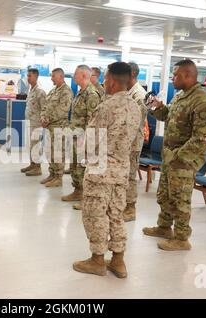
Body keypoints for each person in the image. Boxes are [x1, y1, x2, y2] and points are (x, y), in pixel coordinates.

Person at [73, 62, 140, 279]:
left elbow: (89, 142)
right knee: (116, 215)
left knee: (95, 215)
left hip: (100, 172)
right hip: (121, 172)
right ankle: (119, 261)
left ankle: (97, 260)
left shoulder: (106, 107)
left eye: (105, 79)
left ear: (111, 81)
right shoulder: (136, 107)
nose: (103, 82)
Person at [142, 59, 206, 251]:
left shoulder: (201, 100)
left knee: (180, 198)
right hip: (170, 157)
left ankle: (182, 238)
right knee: (165, 194)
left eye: (176, 75)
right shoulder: (181, 95)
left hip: (183, 161)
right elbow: (168, 116)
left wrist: (178, 156)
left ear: (188, 75)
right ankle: (164, 227)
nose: (172, 78)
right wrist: (157, 107)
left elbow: (202, 136)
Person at [62, 65, 101, 208]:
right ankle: (78, 191)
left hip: (83, 139)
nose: (73, 76)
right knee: (74, 167)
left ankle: (87, 198)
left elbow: (93, 120)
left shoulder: (91, 94)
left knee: (83, 168)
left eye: (75, 74)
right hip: (75, 136)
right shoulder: (80, 92)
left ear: (84, 75)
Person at [40, 68, 73, 187]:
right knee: (50, 152)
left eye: (53, 76)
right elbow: (45, 106)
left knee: (58, 152)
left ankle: (58, 177)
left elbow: (63, 110)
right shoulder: (53, 91)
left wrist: (48, 119)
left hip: (60, 127)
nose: (51, 78)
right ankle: (52, 174)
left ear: (60, 76)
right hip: (49, 127)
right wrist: (43, 117)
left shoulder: (66, 91)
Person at [123, 62, 148, 222]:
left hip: (132, 143)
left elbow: (135, 121)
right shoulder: (127, 92)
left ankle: (130, 208)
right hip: (123, 143)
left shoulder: (139, 94)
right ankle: (122, 205)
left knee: (130, 176)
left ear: (132, 74)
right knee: (123, 176)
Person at [20, 68, 47, 176]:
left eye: (30, 76)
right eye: (28, 76)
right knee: (31, 146)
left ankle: (38, 168)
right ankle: (32, 164)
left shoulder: (40, 91)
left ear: (36, 77)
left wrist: (43, 122)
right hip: (30, 123)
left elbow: (45, 108)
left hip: (37, 124)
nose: (28, 78)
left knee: (36, 146)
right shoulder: (31, 90)